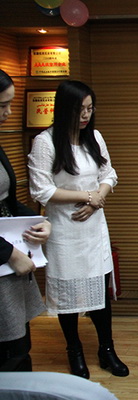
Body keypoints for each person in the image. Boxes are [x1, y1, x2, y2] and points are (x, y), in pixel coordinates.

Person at [28, 80, 128, 379]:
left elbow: (109, 174)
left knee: (100, 291)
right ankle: (75, 351)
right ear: (64, 110)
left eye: (90, 108)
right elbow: (41, 190)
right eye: (80, 110)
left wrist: (97, 199)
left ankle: (107, 350)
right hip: (64, 230)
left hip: (94, 229)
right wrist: (87, 196)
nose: (86, 115)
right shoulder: (45, 142)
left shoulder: (94, 137)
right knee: (68, 296)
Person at [0, 69, 52, 371]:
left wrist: (37, 220)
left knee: (18, 345)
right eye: (2, 105)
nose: (8, 113)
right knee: (9, 352)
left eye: (10, 104)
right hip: (6, 255)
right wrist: (9, 253)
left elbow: (6, 201)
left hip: (8, 263)